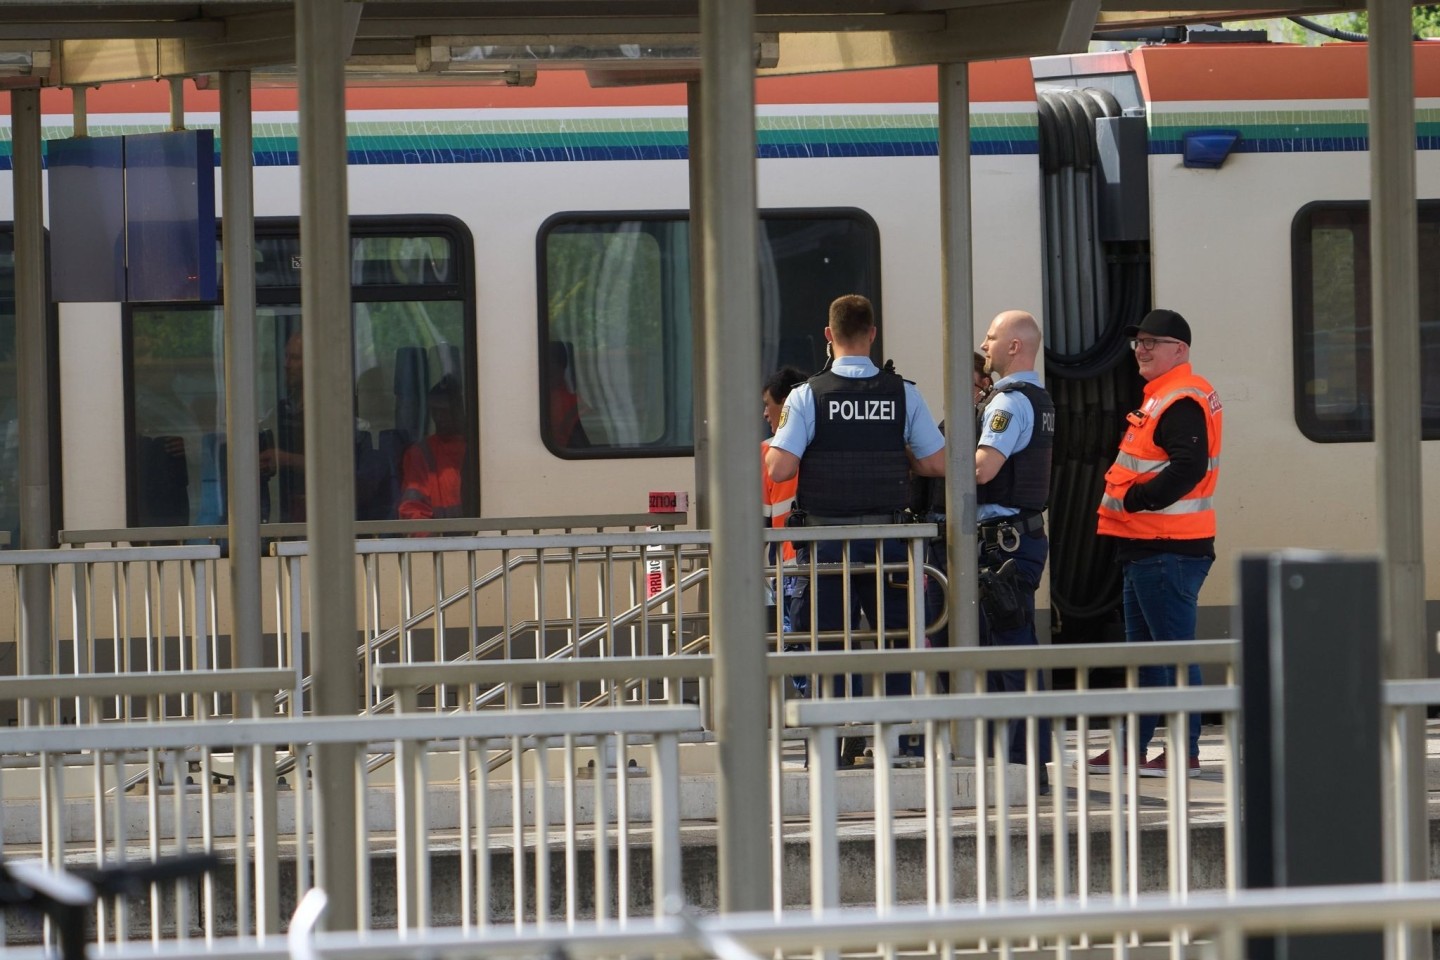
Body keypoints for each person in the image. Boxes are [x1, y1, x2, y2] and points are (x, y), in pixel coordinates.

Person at [765, 294, 945, 762]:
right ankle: (900, 742)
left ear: (829, 335)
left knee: (827, 642)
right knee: (896, 638)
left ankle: (834, 744)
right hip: (889, 543)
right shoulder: (903, 392)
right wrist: (893, 453)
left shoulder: (807, 395)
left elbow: (780, 469)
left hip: (825, 542)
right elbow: (936, 462)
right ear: (872, 334)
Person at [1089, 308, 1223, 778]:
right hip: (1148, 547)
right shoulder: (1164, 395)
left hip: (1168, 547)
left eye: (1152, 341)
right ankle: (1132, 747)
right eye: (1138, 342)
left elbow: (1189, 467)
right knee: (1145, 655)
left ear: (1179, 351)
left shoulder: (1180, 399)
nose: (1141, 349)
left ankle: (1183, 752)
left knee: (1171, 653)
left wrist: (1137, 500)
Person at [975, 310, 1055, 781]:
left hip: (1004, 546)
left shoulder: (1009, 403)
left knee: (1010, 647)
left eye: (991, 337)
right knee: (1008, 644)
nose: (985, 345)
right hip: (1016, 539)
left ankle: (1025, 763)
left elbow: (984, 468)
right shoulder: (1035, 398)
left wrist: (933, 461)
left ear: (1014, 347)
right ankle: (1019, 758)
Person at [762, 366, 808, 631]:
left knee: (796, 649)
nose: (765, 413)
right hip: (829, 562)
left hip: (790, 572)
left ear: (787, 403)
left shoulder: (767, 451)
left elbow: (760, 524)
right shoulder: (824, 445)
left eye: (768, 404)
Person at [399, 375, 468, 527]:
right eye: (435, 411)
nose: (439, 417)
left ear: (460, 410)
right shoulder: (421, 453)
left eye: (446, 410)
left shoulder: (478, 450)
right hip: (439, 547)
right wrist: (432, 547)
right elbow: (412, 511)